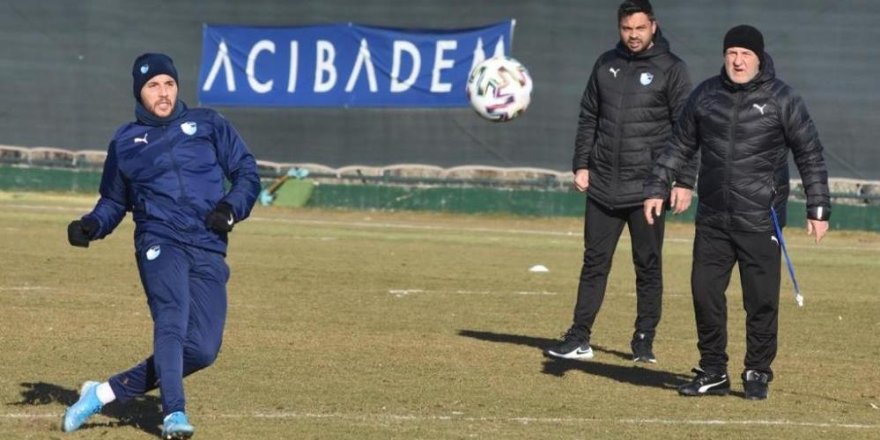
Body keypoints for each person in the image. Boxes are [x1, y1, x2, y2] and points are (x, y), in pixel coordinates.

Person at [62, 53, 261, 437]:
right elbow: (114, 202)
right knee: (172, 318)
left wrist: (230, 209)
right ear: (140, 93)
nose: (163, 92)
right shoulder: (125, 142)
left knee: (202, 349)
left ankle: (101, 393)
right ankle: (174, 414)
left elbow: (246, 173)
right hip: (159, 240)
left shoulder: (209, 123)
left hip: (208, 244)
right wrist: (91, 226)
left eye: (169, 83)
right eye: (154, 86)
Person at [643, 25, 831, 400]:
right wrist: (656, 187)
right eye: (732, 53)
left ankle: (758, 370)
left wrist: (818, 207)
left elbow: (809, 153)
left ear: (759, 58)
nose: (738, 60)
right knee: (704, 293)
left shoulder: (783, 99)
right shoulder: (706, 95)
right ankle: (713, 370)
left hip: (761, 220)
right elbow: (678, 145)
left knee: (760, 301)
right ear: (724, 56)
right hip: (712, 219)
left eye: (745, 53)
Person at [544, 0, 696, 363]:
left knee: (647, 264)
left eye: (640, 28)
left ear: (653, 27)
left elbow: (688, 131)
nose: (633, 36)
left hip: (648, 191)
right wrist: (582, 163)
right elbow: (588, 117)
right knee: (594, 262)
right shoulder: (605, 64)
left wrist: (683, 181)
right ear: (619, 28)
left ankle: (643, 339)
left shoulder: (672, 70)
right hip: (603, 188)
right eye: (627, 29)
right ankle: (579, 336)